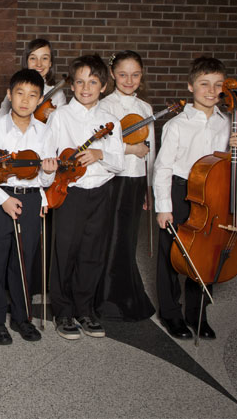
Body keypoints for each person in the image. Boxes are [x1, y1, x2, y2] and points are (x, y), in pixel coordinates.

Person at [153, 56, 237, 340]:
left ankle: (197, 315)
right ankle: (171, 314)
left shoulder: (227, 122)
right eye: (204, 84)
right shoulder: (177, 125)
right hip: (181, 191)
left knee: (205, 255)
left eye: (218, 85)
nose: (211, 91)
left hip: (213, 198)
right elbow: (163, 167)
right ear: (190, 86)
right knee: (171, 256)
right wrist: (163, 207)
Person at [45, 54, 124, 340]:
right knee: (65, 252)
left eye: (92, 82)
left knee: (93, 253)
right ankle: (63, 310)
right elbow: (49, 155)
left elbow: (120, 163)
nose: (85, 87)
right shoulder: (60, 116)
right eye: (79, 82)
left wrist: (100, 153)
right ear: (72, 86)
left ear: (104, 86)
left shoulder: (110, 120)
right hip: (71, 193)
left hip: (101, 192)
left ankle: (85, 309)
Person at [0, 69, 58, 345]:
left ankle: (23, 318)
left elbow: (46, 177)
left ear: (40, 100)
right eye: (19, 93)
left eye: (33, 95)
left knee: (24, 261)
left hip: (32, 197)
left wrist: (47, 172)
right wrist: (4, 200)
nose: (25, 100)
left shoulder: (46, 131)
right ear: (9, 95)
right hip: (1, 196)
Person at [95, 50, 156, 321]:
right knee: (109, 237)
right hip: (111, 179)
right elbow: (102, 145)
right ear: (112, 74)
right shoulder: (105, 106)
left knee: (128, 239)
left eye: (135, 75)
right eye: (122, 74)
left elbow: (151, 153)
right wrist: (131, 149)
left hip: (135, 180)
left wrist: (148, 189)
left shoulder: (146, 109)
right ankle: (104, 296)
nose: (129, 80)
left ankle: (125, 294)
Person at [0, 38, 67, 118]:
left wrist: (56, 118)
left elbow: (64, 126)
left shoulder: (58, 94)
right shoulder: (16, 89)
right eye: (33, 58)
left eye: (44, 58)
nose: (39, 64)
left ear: (50, 63)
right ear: (26, 61)